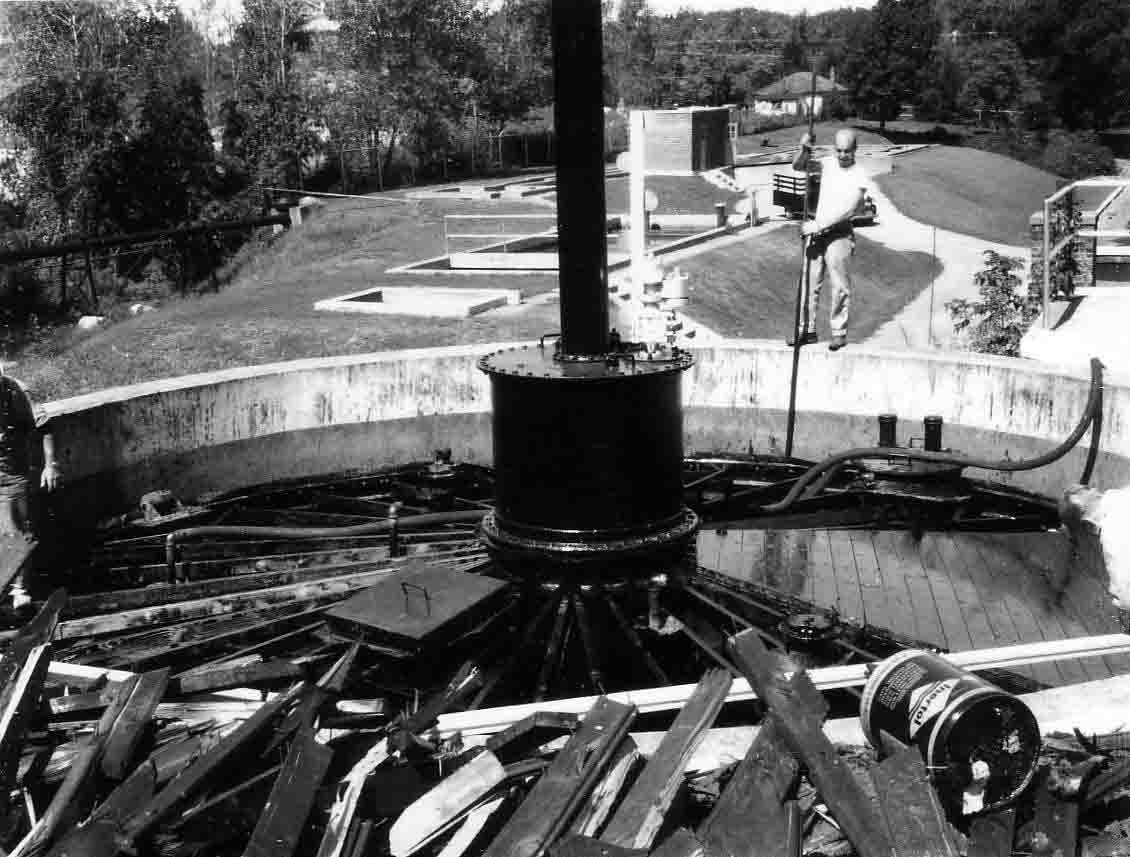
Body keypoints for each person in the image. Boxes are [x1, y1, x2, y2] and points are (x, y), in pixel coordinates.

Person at [788, 128, 871, 351]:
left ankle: (838, 333)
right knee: (809, 283)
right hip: (816, 234)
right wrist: (804, 148)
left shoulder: (859, 174)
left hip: (839, 233)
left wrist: (818, 225)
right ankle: (806, 331)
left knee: (839, 286)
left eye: (847, 151)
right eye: (839, 150)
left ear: (855, 149)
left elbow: (850, 209)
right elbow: (798, 166)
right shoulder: (827, 164)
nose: (842, 155)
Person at [0, 363, 61, 610]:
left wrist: (50, 465)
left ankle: (19, 590)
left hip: (12, 474)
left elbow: (44, 426)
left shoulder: (18, 391)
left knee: (17, 532)